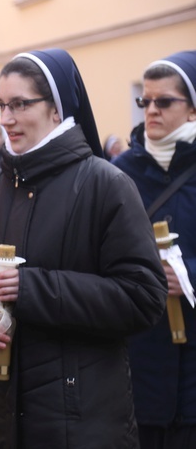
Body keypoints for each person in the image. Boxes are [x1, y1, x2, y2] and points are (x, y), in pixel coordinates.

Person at [0, 49, 167, 448]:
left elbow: (143, 297)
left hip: (86, 420)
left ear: (56, 109)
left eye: (20, 104)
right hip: (6, 419)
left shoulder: (106, 186)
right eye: (1, 105)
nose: (6, 119)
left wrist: (34, 289)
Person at [113, 50, 196, 448]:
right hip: (140, 355)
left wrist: (188, 277)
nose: (151, 110)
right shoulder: (120, 172)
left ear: (193, 109)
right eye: (144, 101)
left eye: (164, 101)